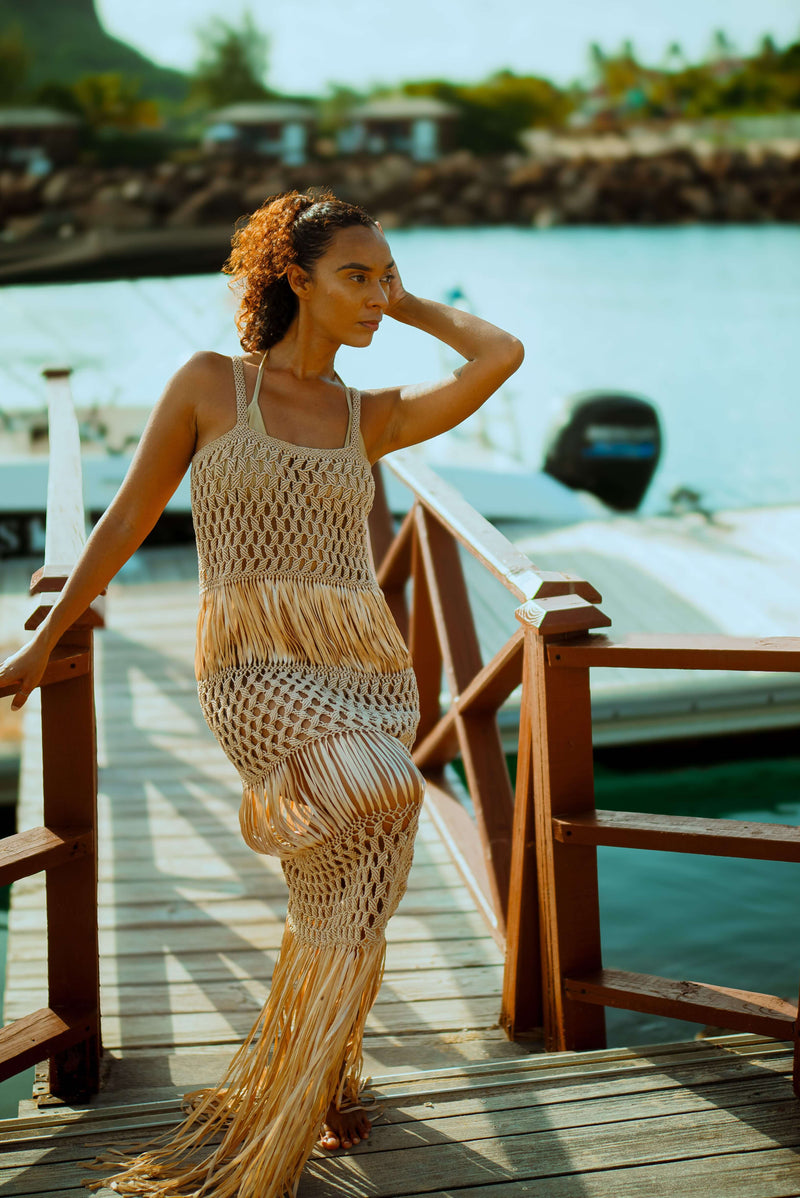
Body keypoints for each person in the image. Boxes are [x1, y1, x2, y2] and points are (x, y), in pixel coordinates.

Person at [0, 189, 524, 1196]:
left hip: (364, 668)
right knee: (385, 795)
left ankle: (323, 1068)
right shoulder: (210, 385)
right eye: (355, 277)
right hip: (250, 666)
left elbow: (498, 356)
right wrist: (46, 637)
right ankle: (312, 1065)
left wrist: (408, 307)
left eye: (384, 276)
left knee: (347, 882)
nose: (375, 297)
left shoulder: (366, 415)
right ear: (293, 277)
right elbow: (123, 519)